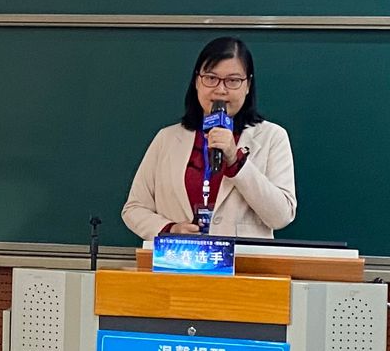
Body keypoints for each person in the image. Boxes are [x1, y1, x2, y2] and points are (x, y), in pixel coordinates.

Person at [122, 35, 298, 241]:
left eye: (233, 81)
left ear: (248, 85)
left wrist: (236, 161)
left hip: (244, 259)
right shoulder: (167, 139)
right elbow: (134, 208)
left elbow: (281, 216)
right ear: (197, 81)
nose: (221, 90)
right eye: (211, 78)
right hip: (180, 257)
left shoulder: (272, 137)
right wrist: (170, 229)